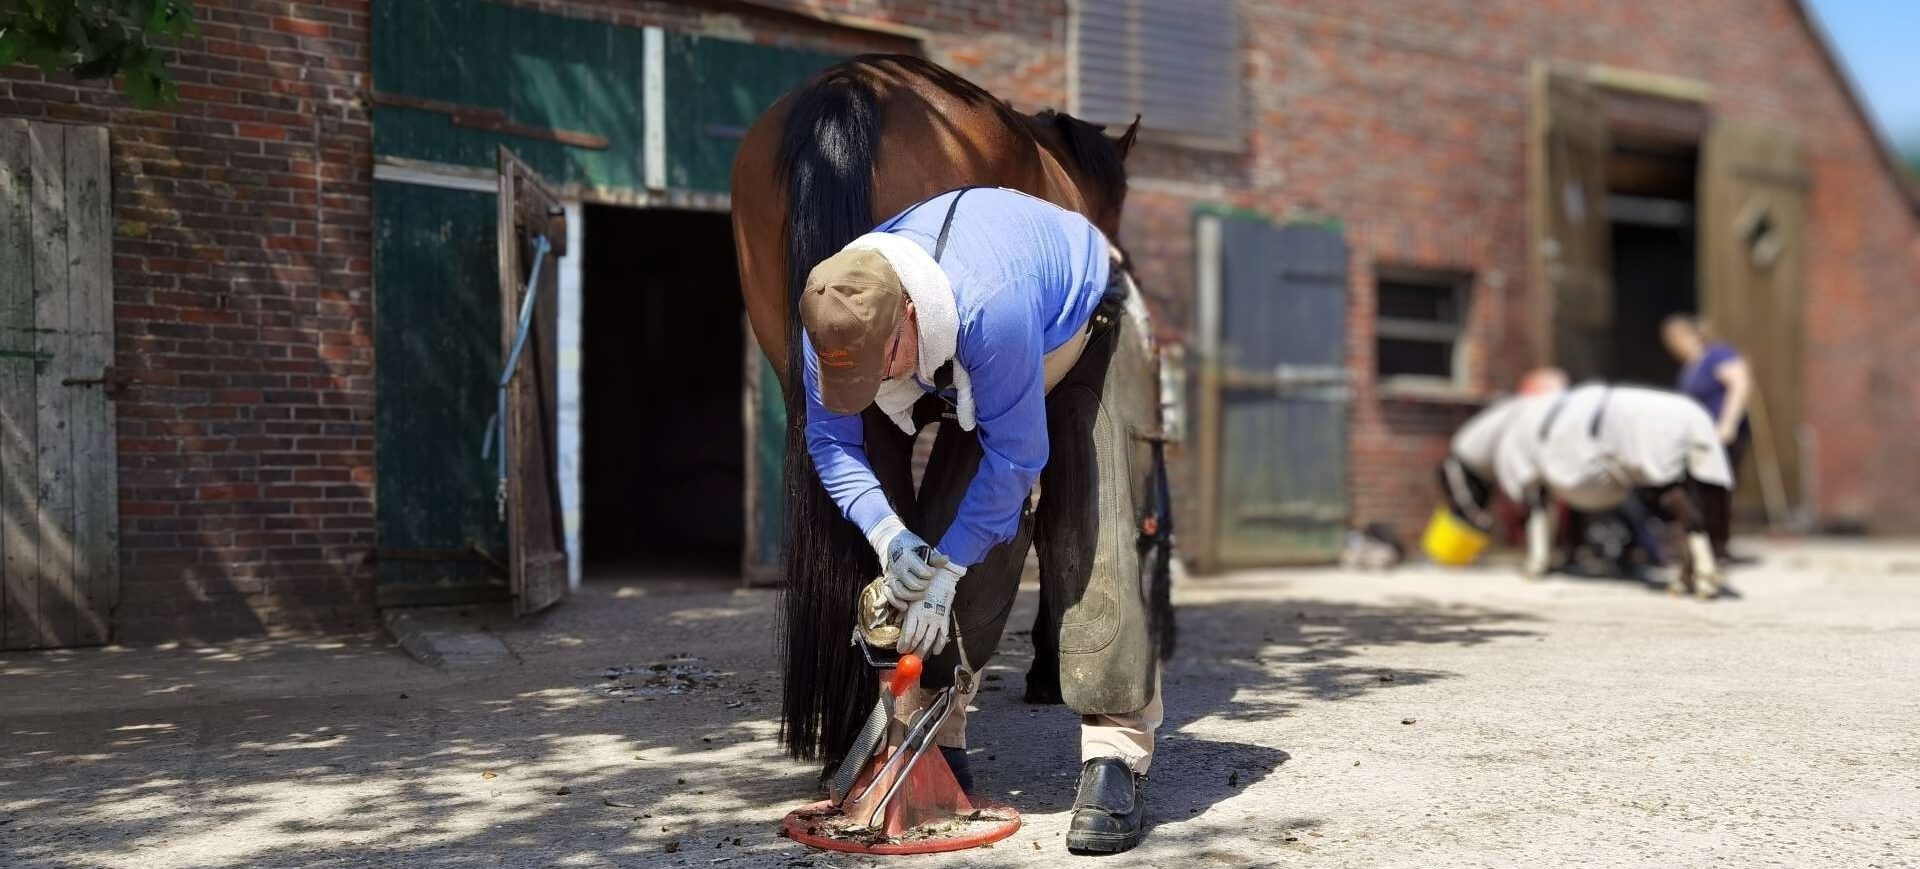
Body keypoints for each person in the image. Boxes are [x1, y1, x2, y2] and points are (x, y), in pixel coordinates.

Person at [800, 186, 1161, 854]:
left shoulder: (988, 306)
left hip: (1087, 326)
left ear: (909, 316)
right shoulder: (832, 310)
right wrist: (890, 534)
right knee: (942, 523)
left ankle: (1115, 750)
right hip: (987, 354)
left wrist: (948, 567)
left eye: (881, 370)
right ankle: (935, 739)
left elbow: (1019, 457)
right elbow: (832, 442)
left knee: (1090, 521)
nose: (870, 394)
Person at [1662, 315, 1749, 560]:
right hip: (1700, 437)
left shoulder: (1718, 354)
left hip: (1723, 435)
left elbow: (1739, 385)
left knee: (1719, 490)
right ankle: (1705, 546)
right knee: (1699, 491)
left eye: (1674, 339)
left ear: (1690, 335)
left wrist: (1728, 424)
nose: (1672, 346)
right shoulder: (1690, 367)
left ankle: (1719, 546)